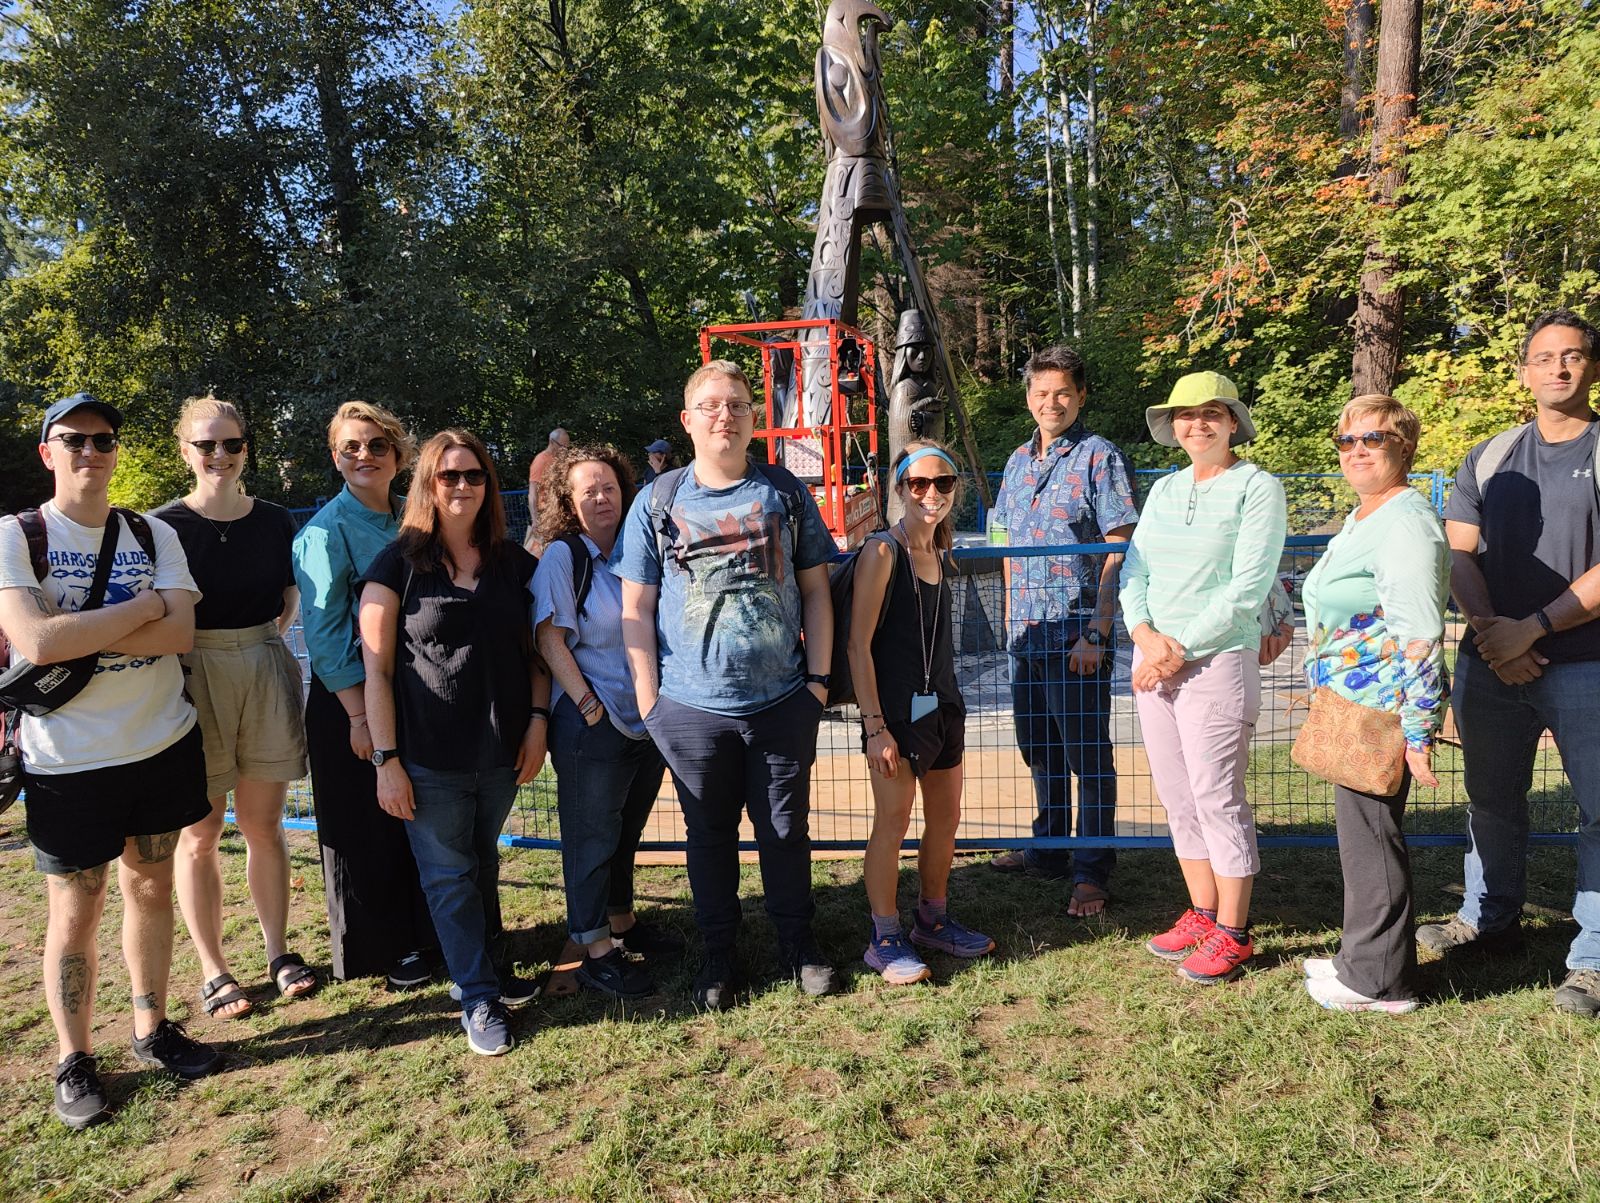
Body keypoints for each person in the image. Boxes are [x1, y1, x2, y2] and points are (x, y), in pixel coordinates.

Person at [0, 393, 219, 1130]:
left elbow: (181, 634)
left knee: (151, 890)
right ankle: (74, 1058)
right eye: (74, 440)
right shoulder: (16, 535)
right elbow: (37, 642)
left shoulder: (150, 532)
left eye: (103, 441)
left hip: (160, 746)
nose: (90, 452)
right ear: (47, 452)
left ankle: (152, 1028)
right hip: (68, 764)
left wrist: (86, 628)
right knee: (76, 909)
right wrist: (140, 610)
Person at [617, 360, 838, 1010]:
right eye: (710, 405)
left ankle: (797, 942)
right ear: (688, 421)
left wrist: (818, 684)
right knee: (707, 833)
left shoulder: (784, 492)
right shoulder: (657, 503)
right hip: (690, 709)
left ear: (751, 417)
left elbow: (817, 592)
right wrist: (650, 699)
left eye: (736, 404)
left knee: (783, 828)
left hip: (782, 703)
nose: (724, 414)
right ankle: (719, 951)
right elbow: (634, 608)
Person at [1430, 308, 1600, 1018]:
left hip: (1585, 662)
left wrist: (1531, 628)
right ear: (1524, 369)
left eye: (1573, 355)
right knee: (1492, 802)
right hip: (1490, 663)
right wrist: (1491, 632)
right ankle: (1488, 917)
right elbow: (1457, 550)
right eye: (1544, 357)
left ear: (1591, 366)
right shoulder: (1492, 453)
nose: (1558, 367)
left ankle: (1591, 960)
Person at [359, 429, 548, 1056]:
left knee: (481, 861)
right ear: (428, 486)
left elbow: (540, 649)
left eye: (474, 475)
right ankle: (476, 996)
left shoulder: (512, 562)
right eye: (449, 476)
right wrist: (387, 760)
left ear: (488, 485)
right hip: (428, 758)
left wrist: (539, 720)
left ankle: (485, 970)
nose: (462, 486)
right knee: (448, 875)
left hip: (500, 752)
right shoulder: (397, 565)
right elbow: (376, 673)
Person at [1122, 371, 1288, 985]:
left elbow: (1250, 586)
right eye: (1186, 415)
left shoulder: (1258, 487)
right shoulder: (1164, 490)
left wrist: (1180, 647)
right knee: (1178, 795)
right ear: (1174, 426)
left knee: (1218, 796)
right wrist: (1144, 635)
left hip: (1217, 661)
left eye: (1211, 413)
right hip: (1156, 661)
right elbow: (1133, 571)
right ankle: (1202, 910)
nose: (1198, 424)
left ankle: (1235, 932)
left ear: (1232, 421)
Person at [154, 395, 314, 1020]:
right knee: (199, 833)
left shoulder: (275, 519)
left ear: (246, 447)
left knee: (264, 826)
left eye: (231, 443)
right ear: (185, 450)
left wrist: (263, 643)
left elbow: (290, 594)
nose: (219, 455)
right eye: (206, 444)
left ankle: (278, 953)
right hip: (193, 673)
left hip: (264, 662)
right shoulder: (161, 525)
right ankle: (215, 970)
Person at [1300, 394, 1448, 1014]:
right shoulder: (1369, 514)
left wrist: (1417, 731)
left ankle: (1379, 981)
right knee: (1361, 835)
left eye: (1375, 439)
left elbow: (1420, 634)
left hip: (1383, 706)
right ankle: (1360, 956)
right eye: (1348, 441)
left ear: (1404, 446)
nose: (1358, 450)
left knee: (1373, 838)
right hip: (1354, 697)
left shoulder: (1406, 521)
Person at [989, 345, 1138, 917]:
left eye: (1063, 393)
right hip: (1026, 635)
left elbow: (1117, 545)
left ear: (1080, 397)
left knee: (1086, 755)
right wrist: (1009, 616)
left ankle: (1091, 869)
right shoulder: (1017, 461)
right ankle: (1048, 849)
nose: (1051, 403)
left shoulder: (1100, 457)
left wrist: (1098, 629)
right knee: (1039, 749)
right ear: (1029, 396)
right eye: (1041, 392)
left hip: (1076, 635)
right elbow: (1005, 541)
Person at [292, 401, 436, 987]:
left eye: (377, 445)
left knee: (412, 817)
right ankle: (384, 947)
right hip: (350, 701)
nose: (364, 456)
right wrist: (359, 718)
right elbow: (326, 637)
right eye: (351, 446)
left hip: (411, 693)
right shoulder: (323, 532)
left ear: (398, 456)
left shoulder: (413, 517)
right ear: (335, 457)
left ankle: (427, 932)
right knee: (366, 829)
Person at [533, 444, 674, 999]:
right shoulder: (563, 558)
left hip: (643, 721)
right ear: (568, 500)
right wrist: (590, 707)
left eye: (609, 487)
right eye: (588, 489)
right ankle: (594, 949)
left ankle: (620, 923)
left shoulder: (641, 549)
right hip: (594, 725)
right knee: (590, 838)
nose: (601, 497)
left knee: (622, 833)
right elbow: (549, 637)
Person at [851, 441, 994, 985]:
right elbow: (857, 647)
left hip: (943, 707)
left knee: (946, 819)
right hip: (893, 715)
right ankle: (883, 937)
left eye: (943, 483)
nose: (931, 494)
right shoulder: (882, 552)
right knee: (893, 821)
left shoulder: (942, 548)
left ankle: (931, 920)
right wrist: (875, 727)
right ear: (900, 488)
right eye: (918, 484)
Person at [525, 427, 571, 550]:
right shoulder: (540, 461)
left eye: (567, 447)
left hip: (558, 514)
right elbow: (533, 493)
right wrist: (535, 520)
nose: (565, 451)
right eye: (562, 447)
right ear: (551, 442)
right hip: (546, 516)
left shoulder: (559, 460)